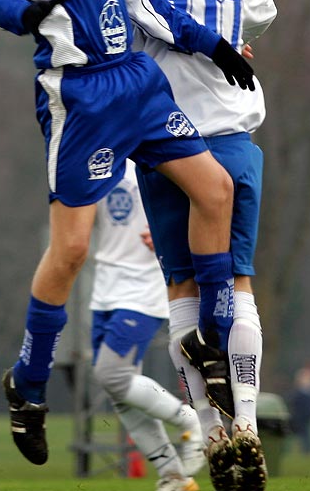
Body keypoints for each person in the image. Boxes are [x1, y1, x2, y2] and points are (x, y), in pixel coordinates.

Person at [0, 0, 256, 469]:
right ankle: (29, 383)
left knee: (216, 190)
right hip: (84, 100)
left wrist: (211, 45)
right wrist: (27, 12)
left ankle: (208, 339)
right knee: (69, 251)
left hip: (139, 85)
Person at [127, 0, 277, 491]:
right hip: (233, 140)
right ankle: (246, 427)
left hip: (169, 146)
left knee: (182, 289)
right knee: (238, 282)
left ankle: (212, 434)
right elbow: (261, 18)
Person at [91, 159, 205, 491]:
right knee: (118, 392)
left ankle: (191, 420)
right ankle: (173, 475)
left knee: (112, 374)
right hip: (104, 289)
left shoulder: (155, 156)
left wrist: (174, 232)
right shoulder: (96, 157)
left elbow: (206, 196)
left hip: (143, 288)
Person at [288, 364, 310, 455]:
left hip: (304, 416)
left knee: (306, 434)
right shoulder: (305, 392)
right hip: (301, 416)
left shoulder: (306, 393)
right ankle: (306, 450)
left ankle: (308, 450)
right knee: (304, 433)